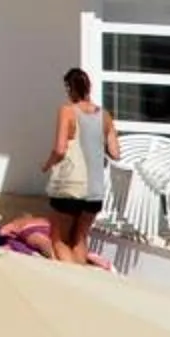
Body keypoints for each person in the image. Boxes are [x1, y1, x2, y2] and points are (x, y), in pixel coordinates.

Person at [43, 67, 118, 265]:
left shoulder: (67, 111)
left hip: (70, 186)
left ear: (69, 88)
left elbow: (60, 149)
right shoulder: (105, 116)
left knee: (59, 239)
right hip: (95, 190)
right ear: (89, 87)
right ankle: (82, 275)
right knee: (80, 239)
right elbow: (116, 153)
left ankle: (71, 278)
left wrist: (46, 165)